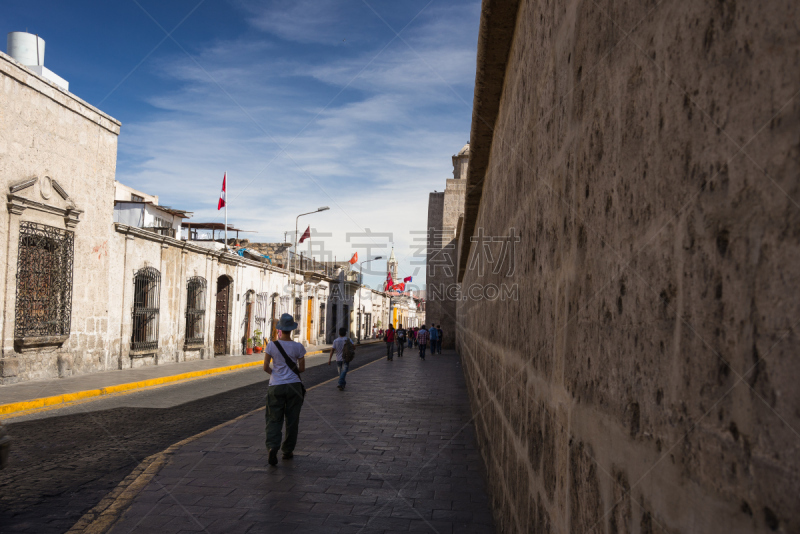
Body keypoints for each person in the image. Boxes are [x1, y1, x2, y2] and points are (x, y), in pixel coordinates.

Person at [263, 313, 306, 466]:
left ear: (280, 329)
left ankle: (272, 447)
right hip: (294, 386)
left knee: (273, 419)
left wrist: (275, 374)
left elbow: (265, 367)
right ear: (292, 329)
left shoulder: (271, 345)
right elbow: (302, 368)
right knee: (292, 420)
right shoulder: (299, 347)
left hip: (275, 386)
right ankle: (287, 450)